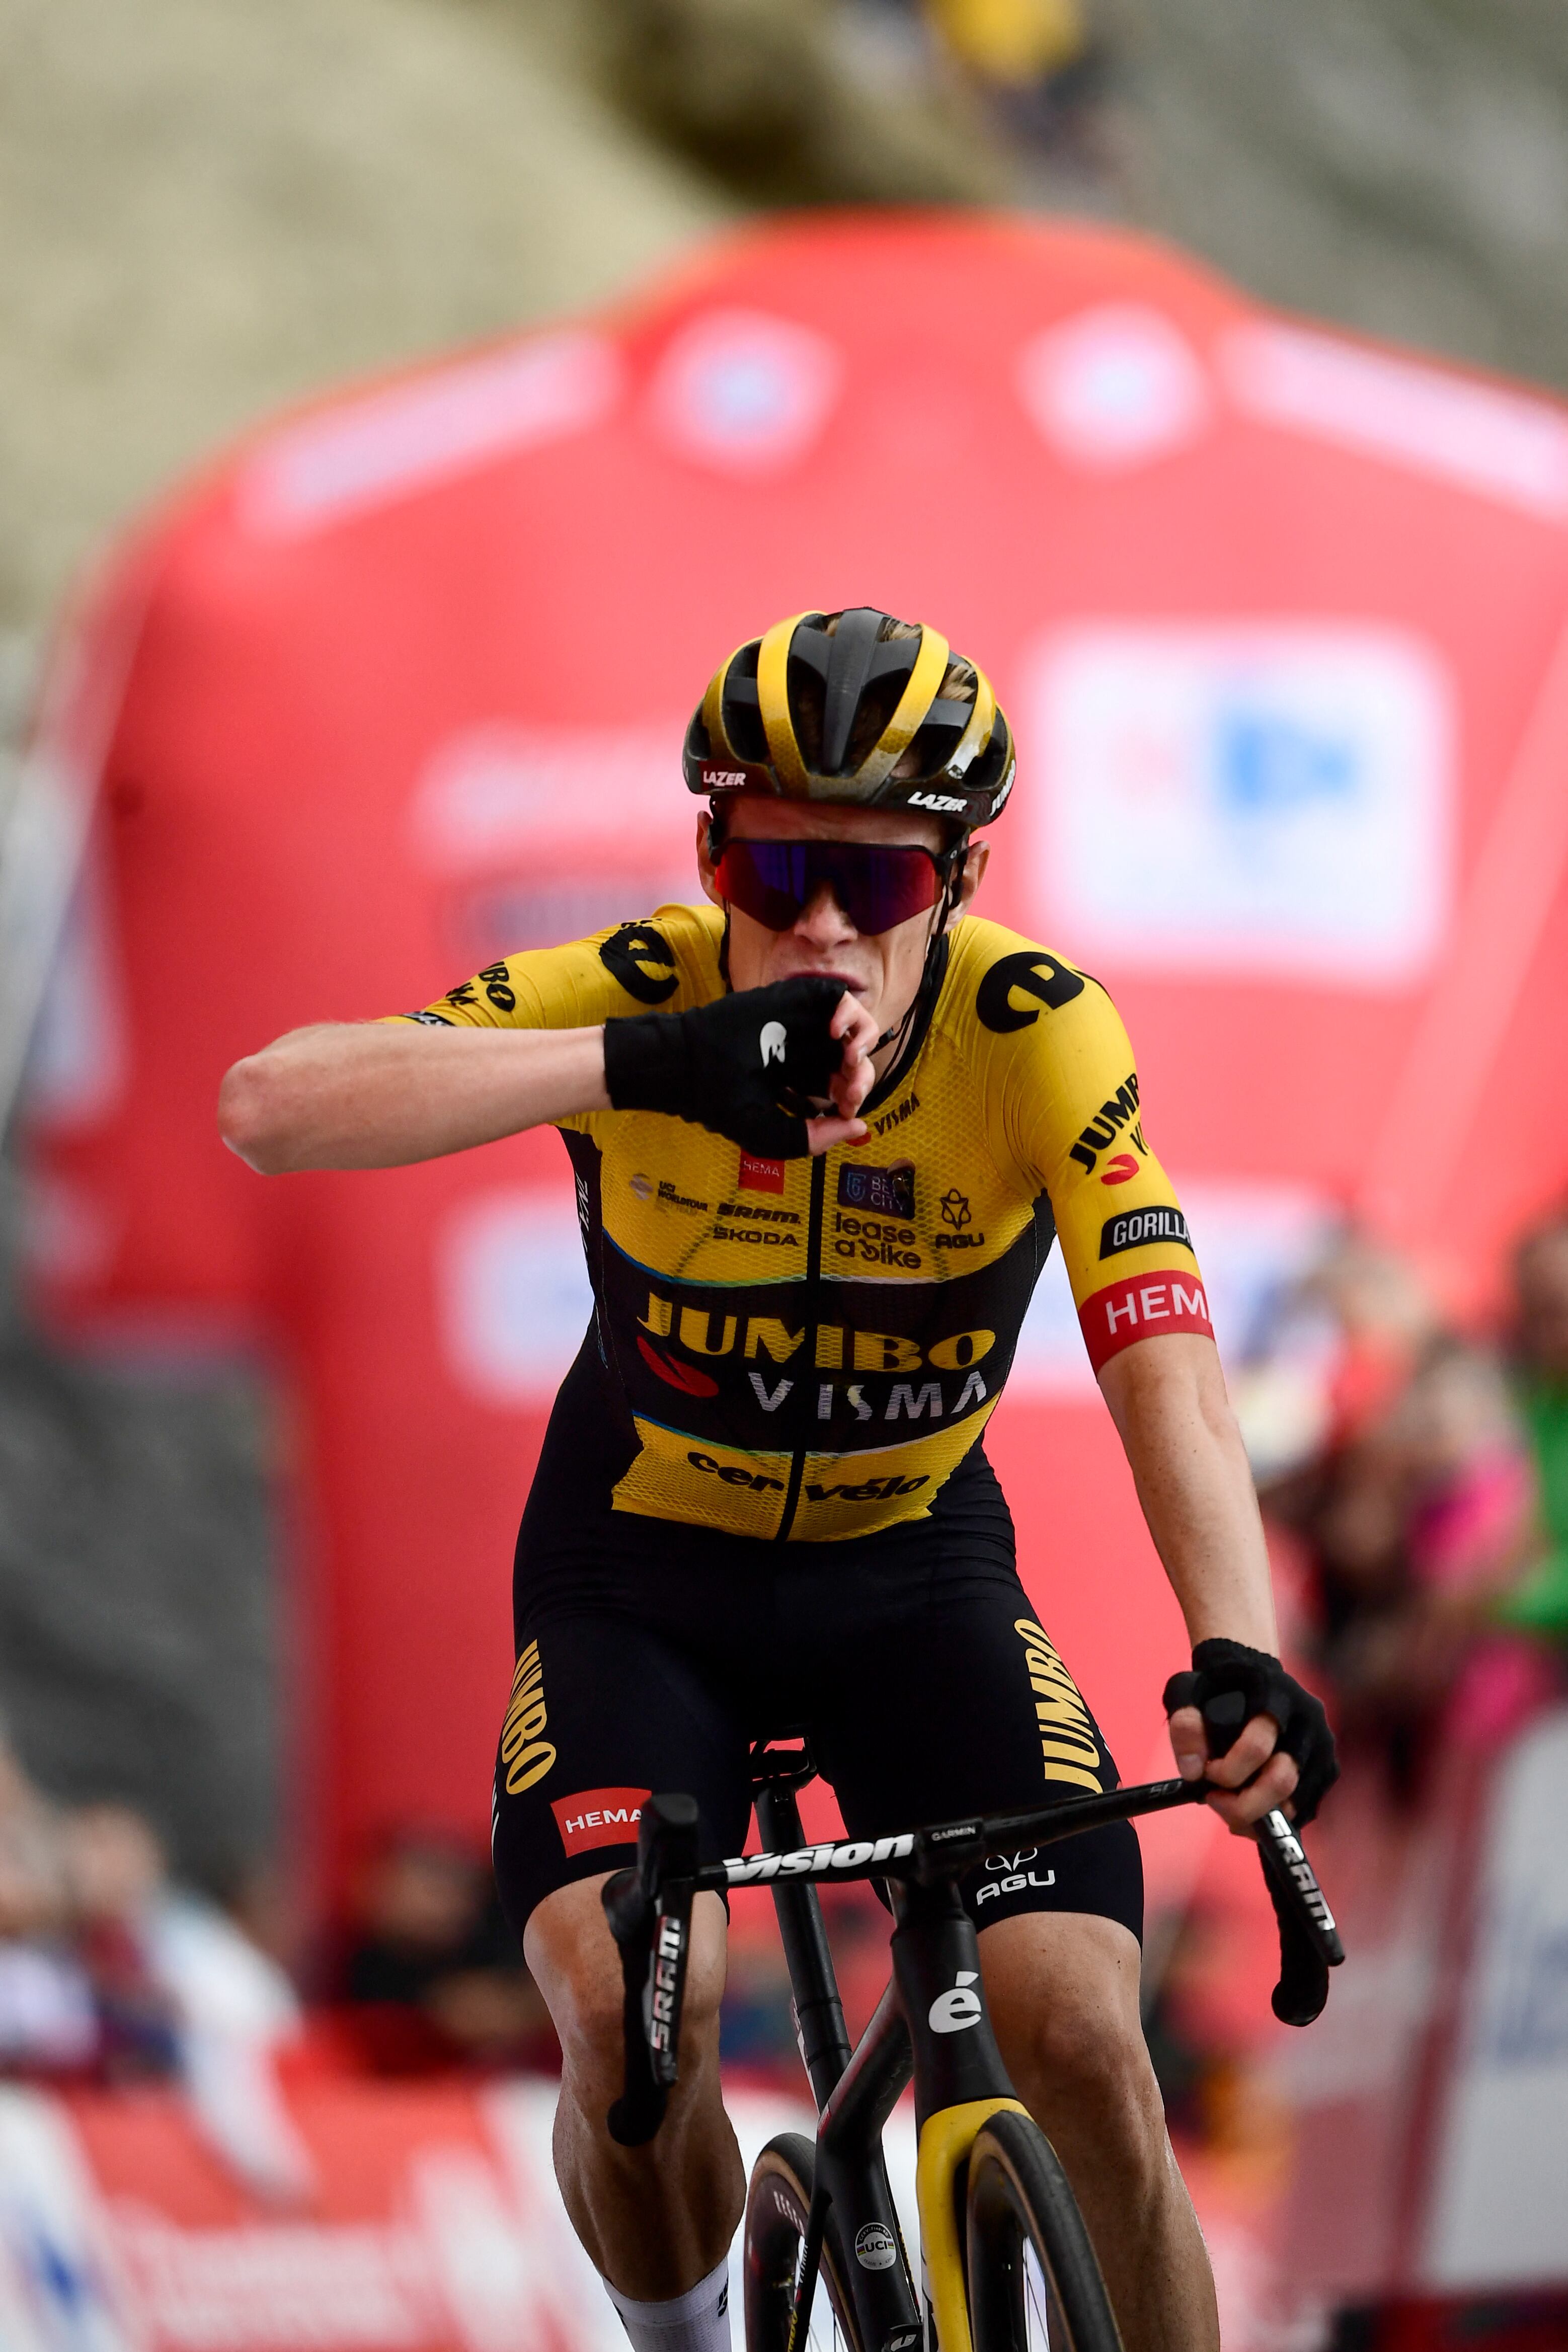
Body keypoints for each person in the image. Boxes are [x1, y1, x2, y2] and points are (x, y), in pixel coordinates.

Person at [219, 606, 1338, 2352]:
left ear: (957, 882)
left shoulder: (1037, 1031)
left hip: (914, 1574)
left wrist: (1235, 1645)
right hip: (639, 1579)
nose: (817, 925)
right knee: (631, 2023)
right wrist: (645, 1066)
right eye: (774, 863)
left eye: (876, 886)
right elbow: (271, 1102)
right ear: (707, 851)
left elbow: (1167, 1364)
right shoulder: (644, 988)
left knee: (1086, 2041)